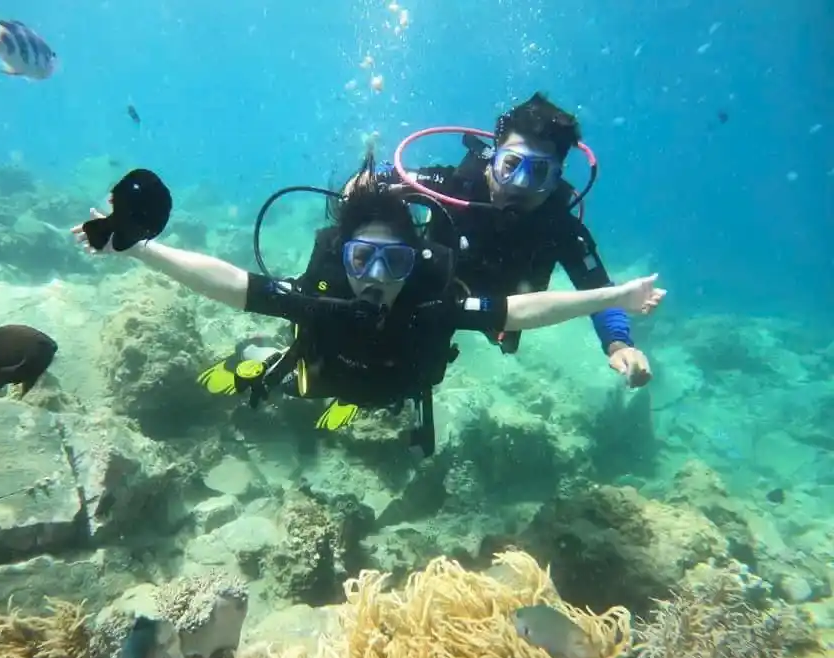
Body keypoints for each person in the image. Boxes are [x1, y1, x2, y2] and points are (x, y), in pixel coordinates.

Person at [71, 153, 666, 456]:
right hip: (324, 373)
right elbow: (233, 284)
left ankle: (351, 401)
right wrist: (138, 248)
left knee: (369, 395)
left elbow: (517, 312)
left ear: (417, 261)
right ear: (343, 257)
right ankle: (259, 360)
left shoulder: (432, 303)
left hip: (399, 386)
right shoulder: (324, 297)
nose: (376, 279)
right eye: (362, 261)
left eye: (395, 263)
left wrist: (617, 301)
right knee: (297, 376)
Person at [371, 92, 655, 388]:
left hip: (505, 315)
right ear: (493, 157)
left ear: (556, 179)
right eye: (511, 164)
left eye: (539, 172)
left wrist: (620, 345)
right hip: (435, 298)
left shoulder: (559, 226)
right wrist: (364, 186)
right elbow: (379, 177)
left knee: (501, 338)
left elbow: (599, 290)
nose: (520, 185)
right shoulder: (454, 185)